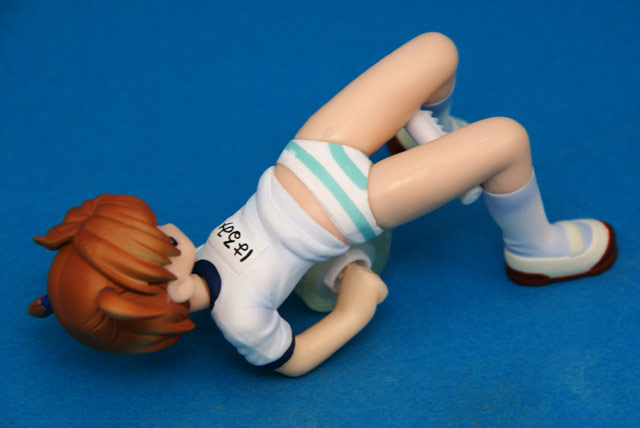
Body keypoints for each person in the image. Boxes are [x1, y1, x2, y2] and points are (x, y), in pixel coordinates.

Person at [28, 33, 616, 377]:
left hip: (306, 156)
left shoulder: (197, 254)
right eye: (159, 240)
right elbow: (293, 359)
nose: (167, 227)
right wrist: (354, 307)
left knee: (436, 52)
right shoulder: (240, 318)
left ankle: (426, 139)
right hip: (348, 207)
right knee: (507, 139)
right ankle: (534, 248)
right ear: (169, 293)